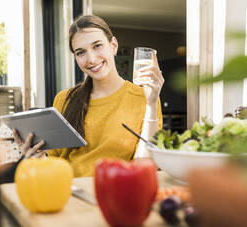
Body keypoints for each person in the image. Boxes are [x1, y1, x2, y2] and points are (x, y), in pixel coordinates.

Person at [11, 15, 164, 177]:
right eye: (80, 52)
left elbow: (145, 167)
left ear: (113, 45)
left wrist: (151, 104)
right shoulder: (64, 100)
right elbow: (51, 166)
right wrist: (35, 157)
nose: (91, 59)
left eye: (97, 46)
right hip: (69, 193)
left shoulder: (144, 97)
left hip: (116, 192)